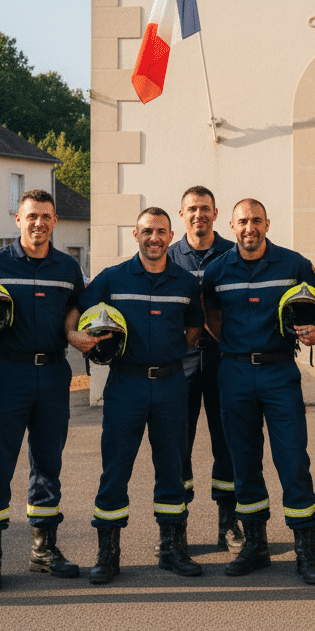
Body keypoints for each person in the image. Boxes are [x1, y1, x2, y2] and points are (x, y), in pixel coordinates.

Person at [0, 189, 85, 590]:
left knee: (48, 463)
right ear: (18, 219)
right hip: (9, 371)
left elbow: (76, 305)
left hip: (54, 373)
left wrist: (73, 331)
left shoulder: (67, 266)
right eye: (31, 216)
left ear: (55, 221)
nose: (38, 223)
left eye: (45, 216)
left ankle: (44, 551)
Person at [67, 207, 205, 584]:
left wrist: (168, 354)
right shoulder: (112, 278)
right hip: (125, 384)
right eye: (147, 231)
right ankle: (108, 554)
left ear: (170, 235)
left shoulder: (185, 282)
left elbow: (194, 329)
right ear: (136, 235)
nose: (154, 238)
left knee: (172, 468)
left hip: (171, 384)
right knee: (116, 468)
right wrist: (73, 335)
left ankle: (172, 549)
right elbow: (77, 308)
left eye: (161, 232)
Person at [202, 198, 315, 584]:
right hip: (235, 372)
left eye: (256, 220)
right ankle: (255, 544)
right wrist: (236, 347)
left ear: (267, 224)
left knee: (293, 460)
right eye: (242, 221)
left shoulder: (294, 264)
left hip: (279, 372)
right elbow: (211, 316)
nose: (249, 228)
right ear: (232, 225)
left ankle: (305, 549)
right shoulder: (216, 270)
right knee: (243, 462)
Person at [166, 186, 242, 551]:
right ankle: (176, 526)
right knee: (176, 444)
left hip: (222, 360)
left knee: (227, 444)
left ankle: (229, 523)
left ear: (215, 213)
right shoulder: (167, 257)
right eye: (192, 209)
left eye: (205, 208)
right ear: (182, 215)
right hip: (180, 361)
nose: (199, 214)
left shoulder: (233, 254)